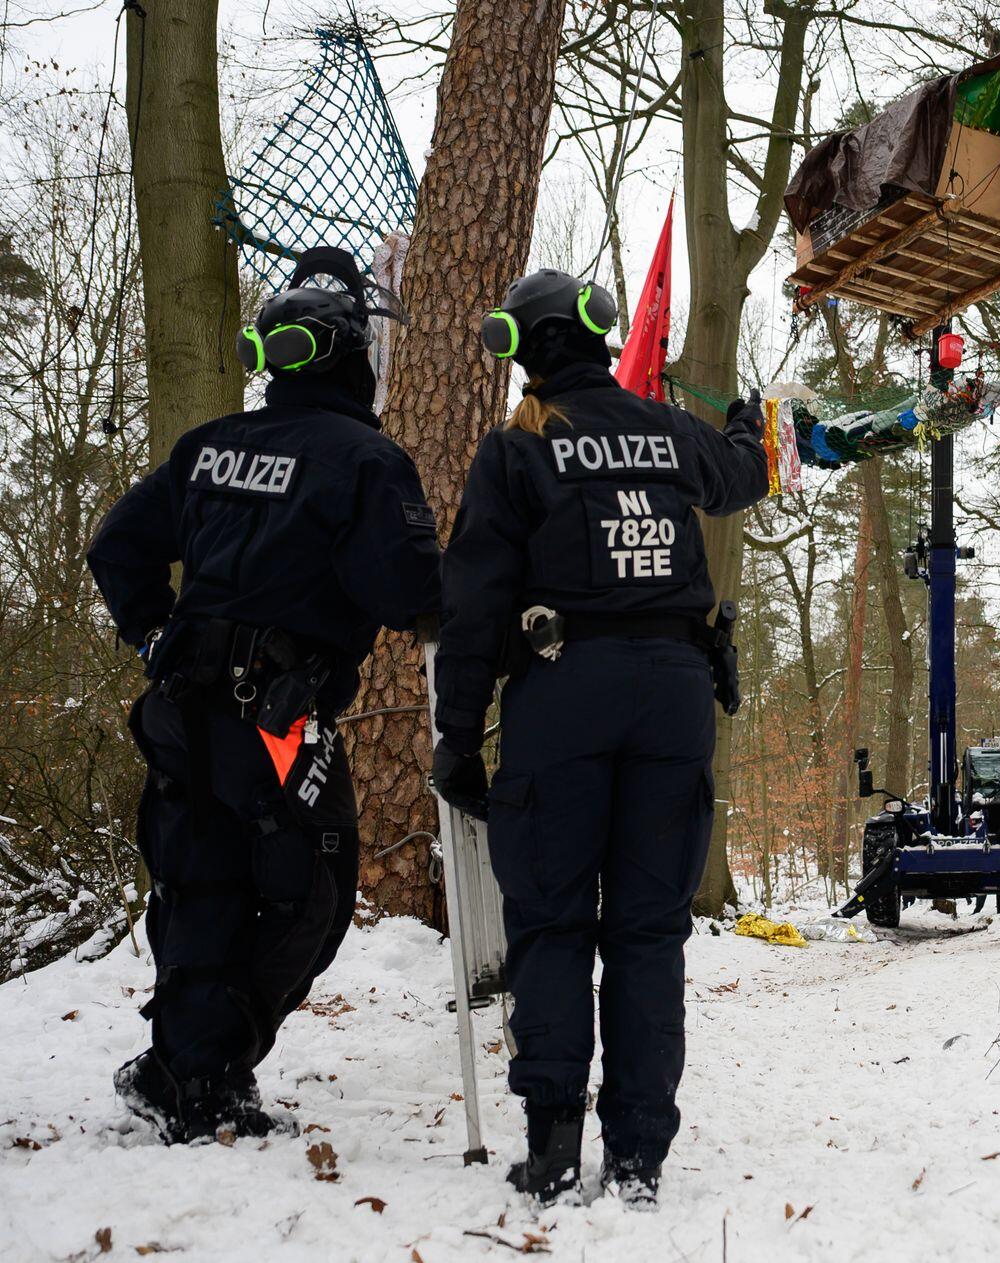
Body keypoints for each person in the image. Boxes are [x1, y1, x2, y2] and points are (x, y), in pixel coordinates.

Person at [86, 249, 440, 1144]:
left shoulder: (207, 447)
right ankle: (201, 1072)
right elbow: (408, 592)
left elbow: (117, 545)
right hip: (276, 717)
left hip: (182, 708)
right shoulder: (365, 460)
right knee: (313, 891)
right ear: (349, 355)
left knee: (197, 883)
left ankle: (187, 1068)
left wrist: (153, 633)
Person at [430, 269, 766, 1207]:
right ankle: (637, 1158)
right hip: (674, 695)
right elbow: (740, 476)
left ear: (521, 348)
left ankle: (551, 1146)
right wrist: (747, 427)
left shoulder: (518, 447)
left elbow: (473, 605)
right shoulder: (667, 428)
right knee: (649, 929)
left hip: (563, 695)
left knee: (552, 921)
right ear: (593, 334)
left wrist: (458, 735)